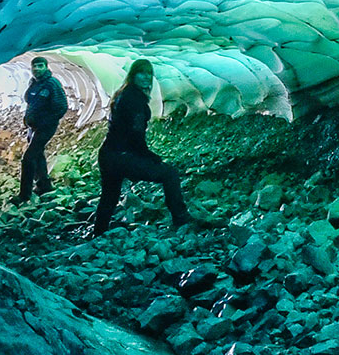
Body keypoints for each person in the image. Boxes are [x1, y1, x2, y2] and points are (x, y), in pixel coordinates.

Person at [92, 59, 219, 235]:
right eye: (141, 73)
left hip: (108, 154)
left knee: (109, 195)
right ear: (133, 75)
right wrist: (148, 156)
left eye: (149, 73)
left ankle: (98, 232)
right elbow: (135, 134)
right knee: (169, 174)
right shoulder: (134, 99)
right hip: (122, 156)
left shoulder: (124, 93)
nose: (146, 77)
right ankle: (180, 217)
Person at [18, 56, 69, 203]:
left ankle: (24, 195)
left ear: (46, 67)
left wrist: (45, 122)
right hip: (33, 127)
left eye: (40, 66)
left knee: (28, 158)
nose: (37, 69)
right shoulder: (34, 83)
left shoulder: (52, 84)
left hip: (44, 127)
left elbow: (61, 107)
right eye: (34, 66)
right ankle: (44, 185)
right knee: (38, 154)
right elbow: (32, 103)